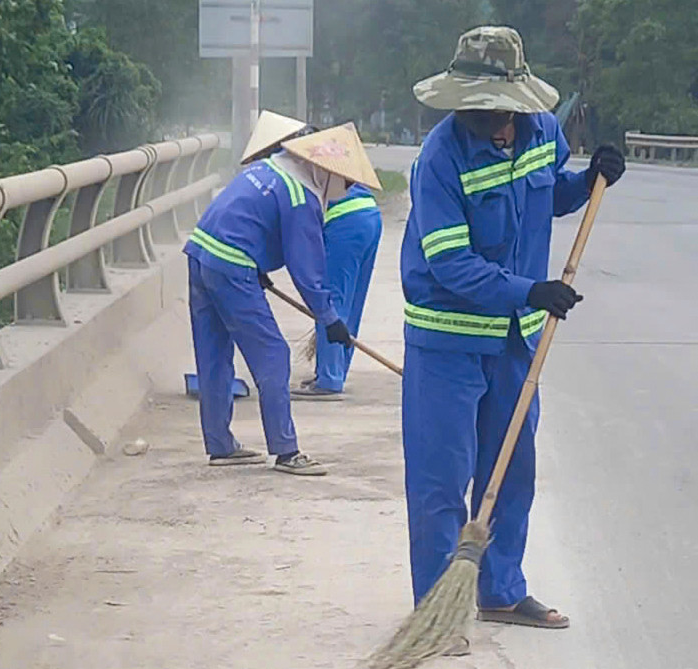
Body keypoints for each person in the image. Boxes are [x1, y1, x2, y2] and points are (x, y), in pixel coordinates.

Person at [400, 25, 625, 644]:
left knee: (512, 468)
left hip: (516, 339)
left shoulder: (543, 133)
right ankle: (434, 611)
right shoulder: (439, 159)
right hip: (446, 337)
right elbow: (448, 262)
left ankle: (499, 591)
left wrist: (591, 180)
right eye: (476, 108)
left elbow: (548, 196)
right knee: (441, 479)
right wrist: (528, 290)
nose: (491, 121)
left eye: (498, 108)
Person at [183, 113, 382, 476]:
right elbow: (307, 270)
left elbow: (242, 219)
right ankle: (286, 451)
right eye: (348, 180)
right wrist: (330, 319)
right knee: (273, 354)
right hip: (230, 264)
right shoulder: (300, 195)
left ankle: (220, 445)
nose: (349, 187)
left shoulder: (269, 169)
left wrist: (256, 269)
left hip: (200, 254)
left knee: (214, 354)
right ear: (327, 170)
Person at [292, 182, 383, 400]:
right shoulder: (329, 157)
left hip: (344, 222)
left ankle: (329, 378)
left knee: (332, 300)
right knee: (352, 302)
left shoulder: (293, 170)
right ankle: (336, 371)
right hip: (369, 214)